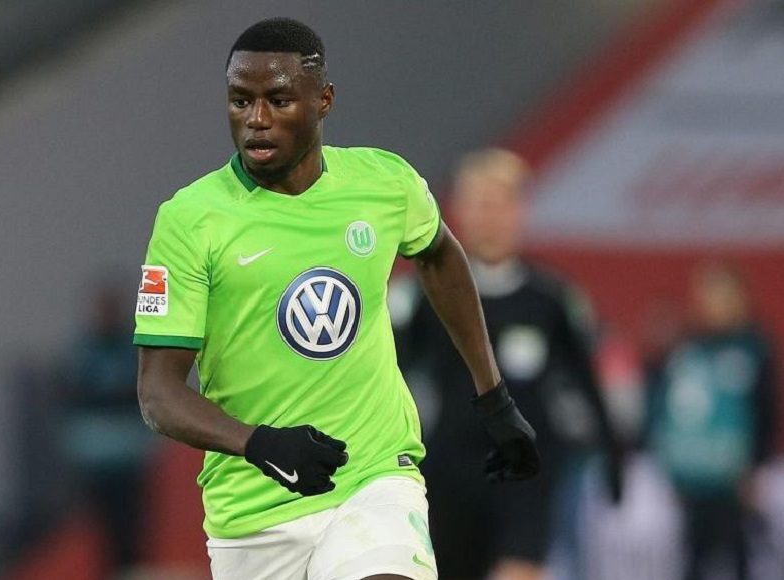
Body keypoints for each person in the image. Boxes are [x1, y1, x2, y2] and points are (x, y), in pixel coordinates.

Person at [133, 18, 539, 580]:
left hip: (374, 477)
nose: (257, 119)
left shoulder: (384, 183)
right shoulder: (189, 220)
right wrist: (258, 443)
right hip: (253, 512)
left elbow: (440, 255)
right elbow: (157, 393)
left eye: (278, 101)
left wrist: (493, 396)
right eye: (240, 101)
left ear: (323, 100)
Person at [404, 149, 622, 580]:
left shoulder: (551, 299)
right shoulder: (426, 295)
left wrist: (613, 454)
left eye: (499, 204)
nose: (489, 218)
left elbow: (585, 380)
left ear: (520, 211)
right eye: (479, 204)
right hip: (450, 470)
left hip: (527, 469)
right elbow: (392, 372)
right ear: (459, 212)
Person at [649, 262, 777, 580]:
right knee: (692, 559)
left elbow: (765, 411)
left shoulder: (753, 348)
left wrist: (756, 467)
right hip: (692, 476)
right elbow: (665, 407)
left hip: (733, 478)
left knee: (737, 558)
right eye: (705, 295)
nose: (710, 304)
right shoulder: (686, 348)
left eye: (719, 295)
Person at [60, 279, 153, 568]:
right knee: (101, 533)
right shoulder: (83, 352)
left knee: (133, 530)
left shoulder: (133, 350)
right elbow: (72, 395)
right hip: (95, 457)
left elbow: (145, 393)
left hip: (130, 456)